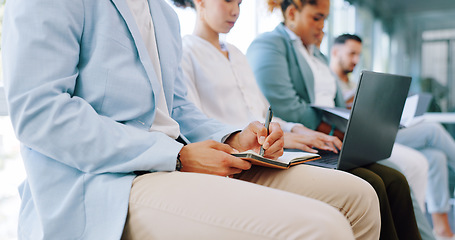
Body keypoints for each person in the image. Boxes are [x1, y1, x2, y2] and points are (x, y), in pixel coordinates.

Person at [1, 0, 382, 239]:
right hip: (104, 182)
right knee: (323, 228)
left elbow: (177, 110)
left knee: (360, 197)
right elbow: (40, 113)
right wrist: (175, 157)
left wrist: (233, 138)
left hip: (174, 164)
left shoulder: (162, 13)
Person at [174, 0, 418, 239]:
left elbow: (262, 112)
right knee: (371, 183)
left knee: (394, 180)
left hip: (271, 148)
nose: (235, 11)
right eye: (228, 1)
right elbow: (193, 123)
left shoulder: (237, 54)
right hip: (240, 155)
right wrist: (267, 136)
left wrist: (298, 130)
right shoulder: (185, 53)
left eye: (240, 3)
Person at [246, 0, 424, 239]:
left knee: (397, 179)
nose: (323, 26)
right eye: (316, 17)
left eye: (325, 19)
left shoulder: (316, 54)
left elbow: (337, 104)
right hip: (312, 139)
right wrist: (334, 131)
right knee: (380, 182)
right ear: (292, 13)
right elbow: (287, 106)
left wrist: (355, 123)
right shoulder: (269, 45)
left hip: (335, 136)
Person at [331, 33, 455, 240]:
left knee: (436, 157)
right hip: (362, 134)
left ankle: (440, 229)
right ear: (335, 51)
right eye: (351, 53)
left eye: (358, 55)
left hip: (379, 126)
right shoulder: (329, 81)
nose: (355, 60)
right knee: (432, 130)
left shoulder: (354, 84)